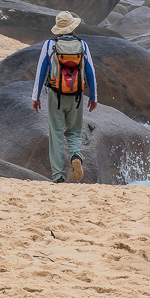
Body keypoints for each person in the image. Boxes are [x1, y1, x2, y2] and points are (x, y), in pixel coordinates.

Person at [32, 11, 98, 184]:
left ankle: (59, 176)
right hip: (76, 95)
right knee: (75, 131)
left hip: (55, 94)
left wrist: (35, 97)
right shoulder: (82, 44)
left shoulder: (49, 45)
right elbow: (90, 71)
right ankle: (76, 154)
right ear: (73, 27)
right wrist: (93, 97)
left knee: (56, 134)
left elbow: (40, 72)